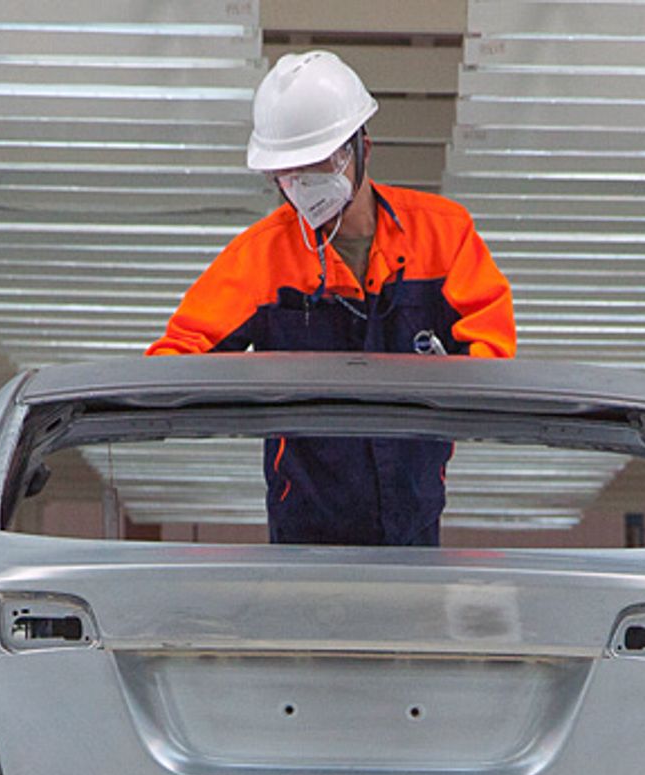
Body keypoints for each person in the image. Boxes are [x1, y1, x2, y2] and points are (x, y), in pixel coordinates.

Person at [149, 49, 515, 546]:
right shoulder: (261, 258)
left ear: (362, 146)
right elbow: (173, 361)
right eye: (288, 171)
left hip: (415, 516)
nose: (303, 183)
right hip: (303, 528)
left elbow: (493, 350)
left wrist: (446, 388)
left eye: (318, 160)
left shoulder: (442, 236)